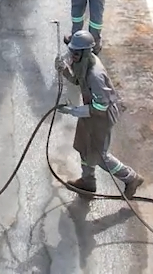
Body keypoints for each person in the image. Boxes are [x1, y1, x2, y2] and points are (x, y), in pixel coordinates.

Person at [57, 31, 142, 194]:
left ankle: (131, 178)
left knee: (100, 156)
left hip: (101, 117)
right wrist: (64, 70)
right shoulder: (83, 62)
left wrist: (73, 111)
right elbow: (77, 80)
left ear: (85, 52)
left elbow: (101, 107)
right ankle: (88, 181)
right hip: (89, 112)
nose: (72, 56)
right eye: (71, 51)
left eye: (76, 53)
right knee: (84, 146)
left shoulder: (95, 74)